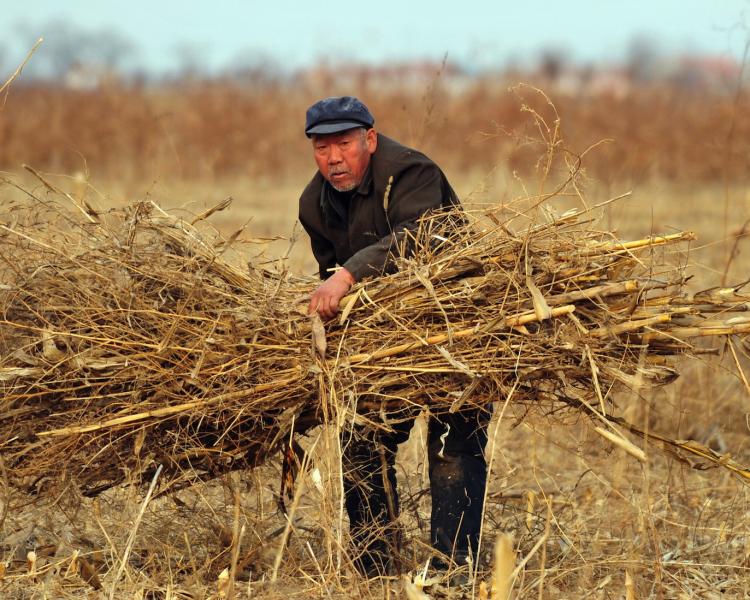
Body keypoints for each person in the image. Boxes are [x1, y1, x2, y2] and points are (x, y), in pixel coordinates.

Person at [298, 96, 490, 578]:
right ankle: (375, 571)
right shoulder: (313, 204)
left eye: (344, 144)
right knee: (360, 440)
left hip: (455, 329)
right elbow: (327, 274)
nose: (334, 158)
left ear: (370, 139)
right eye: (322, 148)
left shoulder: (412, 173)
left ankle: (453, 571)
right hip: (384, 344)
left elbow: (421, 237)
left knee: (454, 444)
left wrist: (347, 276)